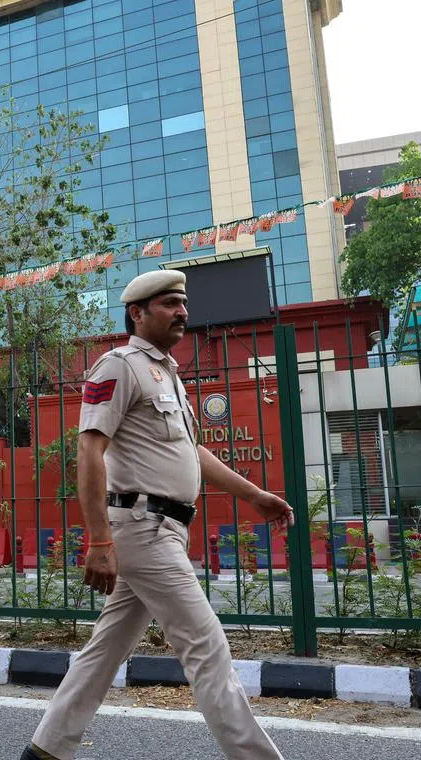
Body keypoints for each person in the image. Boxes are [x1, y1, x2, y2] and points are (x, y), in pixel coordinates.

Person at [20, 270, 294, 760]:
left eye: (182, 304)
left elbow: (194, 453)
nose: (182, 312)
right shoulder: (118, 367)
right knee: (207, 650)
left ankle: (45, 751)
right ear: (137, 313)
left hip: (162, 529)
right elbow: (89, 451)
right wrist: (100, 541)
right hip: (142, 530)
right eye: (169, 303)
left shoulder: (167, 373)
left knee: (103, 654)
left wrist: (256, 495)